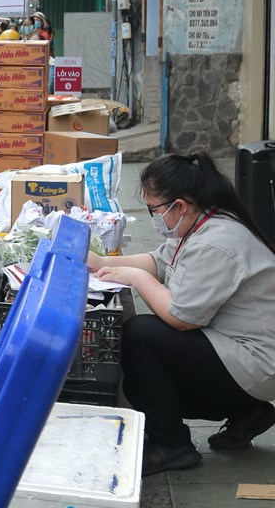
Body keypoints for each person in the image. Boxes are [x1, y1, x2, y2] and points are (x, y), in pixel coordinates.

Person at [89, 153, 275, 476]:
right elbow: (158, 261)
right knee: (143, 377)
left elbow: (181, 317)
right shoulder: (199, 223)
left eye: (154, 209)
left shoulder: (216, 242)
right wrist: (102, 264)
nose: (154, 217)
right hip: (239, 350)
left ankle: (171, 445)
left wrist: (136, 278)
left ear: (180, 206)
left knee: (140, 336)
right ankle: (248, 411)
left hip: (258, 361)